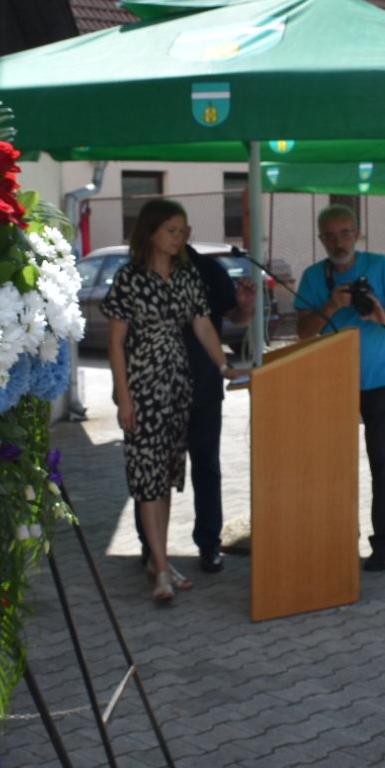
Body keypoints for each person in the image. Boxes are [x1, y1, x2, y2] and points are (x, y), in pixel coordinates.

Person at [104, 199, 238, 601]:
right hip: (143, 389)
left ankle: (160, 563)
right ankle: (161, 568)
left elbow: (203, 326)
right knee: (147, 479)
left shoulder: (186, 276)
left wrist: (223, 366)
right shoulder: (128, 279)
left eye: (184, 230)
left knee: (162, 478)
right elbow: (115, 345)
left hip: (179, 386)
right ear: (151, 233)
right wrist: (124, 400)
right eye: (173, 230)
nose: (181, 237)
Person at [294, 204, 385, 571]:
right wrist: (331, 306)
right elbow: (302, 332)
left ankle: (384, 546)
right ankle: (335, 538)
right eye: (330, 235)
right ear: (321, 239)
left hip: (380, 382)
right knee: (332, 468)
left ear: (357, 233)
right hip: (331, 385)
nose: (339, 241)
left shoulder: (380, 266)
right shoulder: (313, 277)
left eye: (345, 232)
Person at [132, 229, 256, 573]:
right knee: (153, 469)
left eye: (178, 230)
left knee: (206, 465)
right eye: (166, 229)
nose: (173, 237)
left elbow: (235, 318)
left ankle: (208, 544)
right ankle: (150, 547)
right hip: (154, 388)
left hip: (202, 385)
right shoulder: (139, 272)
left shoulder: (208, 270)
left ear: (187, 233)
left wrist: (245, 307)